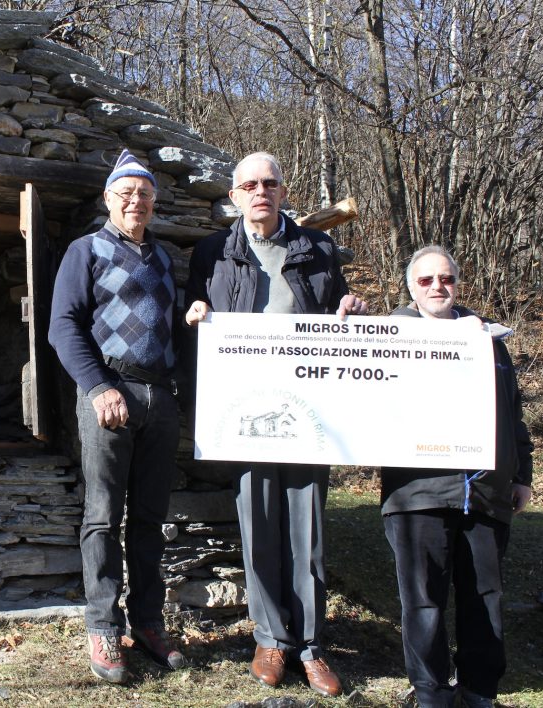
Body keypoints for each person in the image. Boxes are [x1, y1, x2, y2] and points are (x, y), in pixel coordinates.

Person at [184, 151, 367, 697]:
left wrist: (350, 312)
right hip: (245, 414)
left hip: (309, 412)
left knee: (306, 529)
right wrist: (194, 318)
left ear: (284, 191)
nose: (260, 191)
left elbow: (339, 319)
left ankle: (311, 646)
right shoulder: (213, 253)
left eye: (269, 182)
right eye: (249, 184)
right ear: (234, 196)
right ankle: (270, 638)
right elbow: (194, 322)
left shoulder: (317, 251)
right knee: (257, 521)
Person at [48, 149, 186, 684]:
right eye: (126, 193)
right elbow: (63, 325)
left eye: (145, 194)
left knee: (151, 519)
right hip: (110, 392)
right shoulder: (87, 250)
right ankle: (103, 625)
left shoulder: (163, 258)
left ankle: (148, 622)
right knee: (103, 516)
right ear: (108, 198)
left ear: (154, 202)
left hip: (160, 397)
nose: (136, 201)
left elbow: (173, 327)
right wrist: (100, 387)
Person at [381, 245, 533, 708]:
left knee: (485, 596)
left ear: (458, 284)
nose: (437, 287)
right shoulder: (389, 335)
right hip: (417, 494)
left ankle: (479, 690)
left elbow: (513, 412)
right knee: (422, 601)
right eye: (426, 280)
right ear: (411, 288)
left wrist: (522, 473)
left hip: (485, 490)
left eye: (445, 278)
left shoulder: (490, 340)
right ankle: (429, 691)